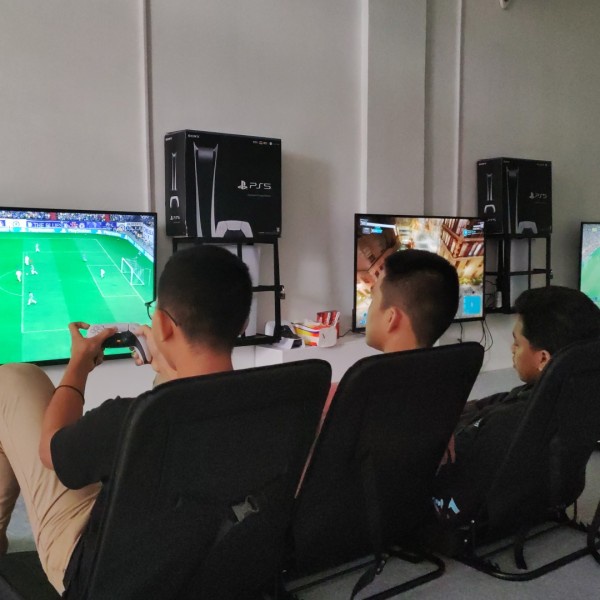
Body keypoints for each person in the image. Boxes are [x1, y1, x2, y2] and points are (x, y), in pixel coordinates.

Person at [0, 245, 252, 596]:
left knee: (13, 379)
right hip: (196, 556)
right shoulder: (266, 405)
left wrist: (78, 367)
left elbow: (51, 450)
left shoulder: (132, 420)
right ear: (242, 325)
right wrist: (165, 360)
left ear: (162, 324)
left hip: (99, 571)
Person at [433, 285, 600, 524]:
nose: (512, 349)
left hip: (476, 514)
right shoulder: (574, 398)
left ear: (543, 358)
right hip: (549, 502)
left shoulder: (505, 424)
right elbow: (494, 402)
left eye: (517, 343)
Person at [297, 249, 459, 493]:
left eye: (373, 298)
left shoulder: (335, 399)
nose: (369, 309)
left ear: (391, 318)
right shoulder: (445, 395)